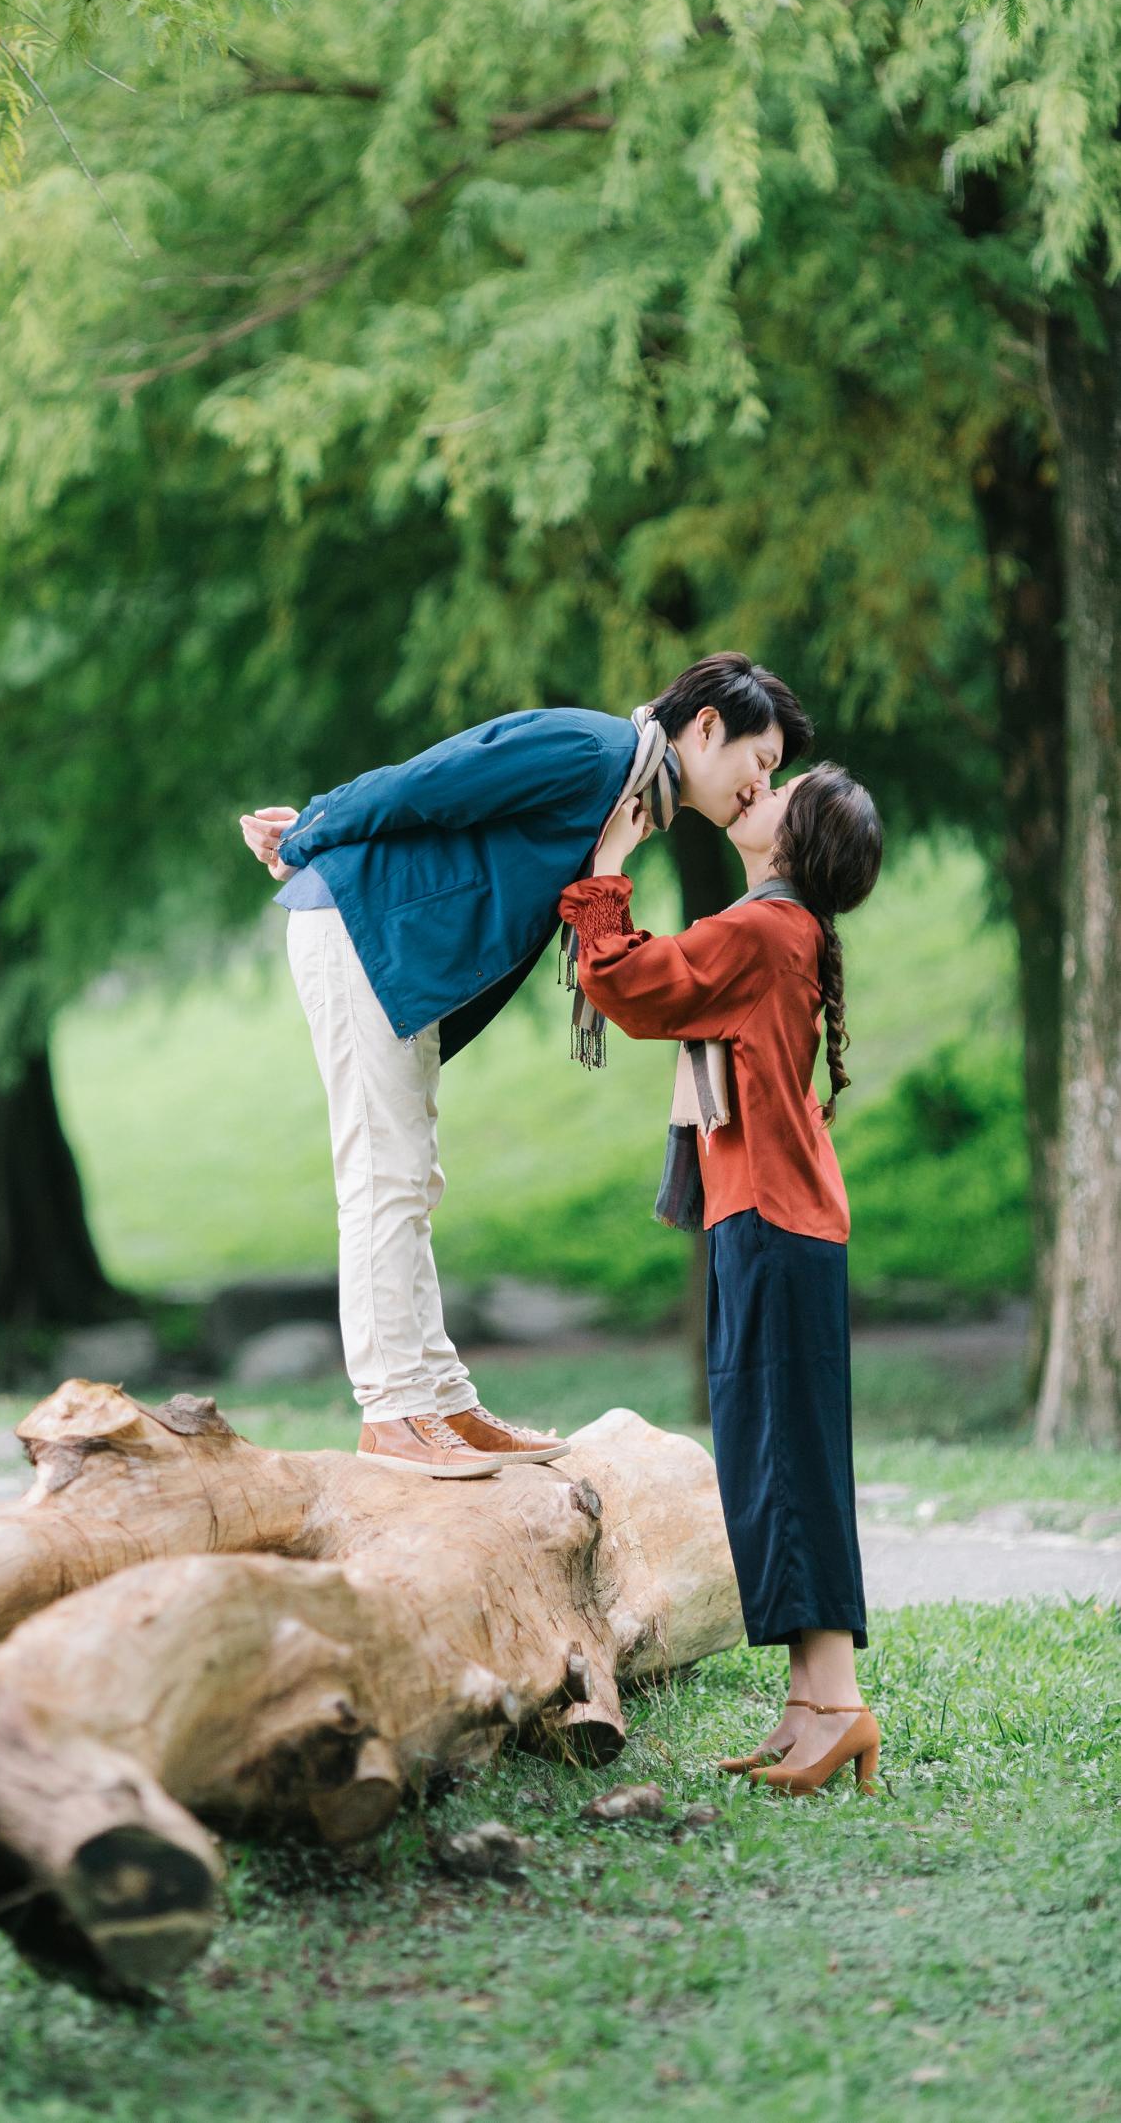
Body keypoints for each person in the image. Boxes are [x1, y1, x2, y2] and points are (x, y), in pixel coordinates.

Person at [240, 653, 813, 1480]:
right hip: (364, 929)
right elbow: (432, 780)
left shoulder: (626, 796)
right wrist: (311, 830)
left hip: (397, 954)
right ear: (710, 727)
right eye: (761, 762)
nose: (760, 787)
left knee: (410, 1174)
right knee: (383, 1173)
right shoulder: (590, 749)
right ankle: (393, 1407)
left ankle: (440, 1397)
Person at [556, 761, 884, 1796]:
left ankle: (837, 1708)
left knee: (786, 1465)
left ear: (800, 839)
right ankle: (810, 1707)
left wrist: (609, 868)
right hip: (779, 1217)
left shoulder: (762, 932)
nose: (762, 786)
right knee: (774, 1462)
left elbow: (631, 982)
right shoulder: (783, 927)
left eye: (785, 789)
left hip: (774, 1223)